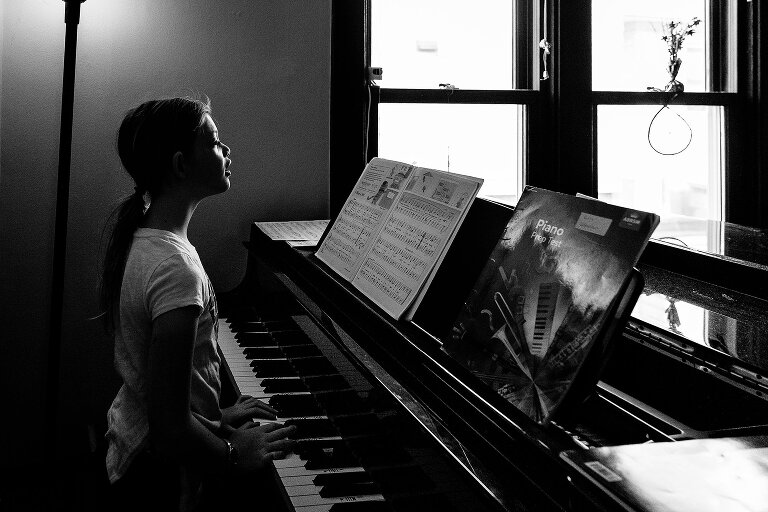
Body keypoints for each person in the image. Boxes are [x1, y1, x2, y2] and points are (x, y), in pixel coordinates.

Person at [99, 97, 296, 511]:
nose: (226, 150)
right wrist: (232, 453)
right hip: (159, 473)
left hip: (135, 438)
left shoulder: (148, 241)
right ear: (180, 165)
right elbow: (170, 429)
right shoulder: (176, 270)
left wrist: (216, 417)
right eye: (214, 142)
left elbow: (169, 386)